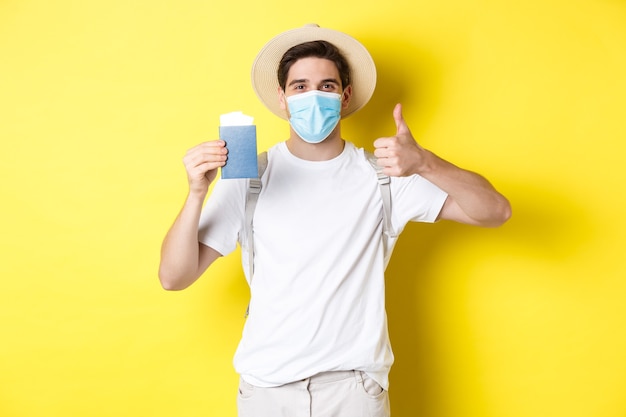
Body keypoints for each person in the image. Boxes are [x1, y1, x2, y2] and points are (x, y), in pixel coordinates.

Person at [159, 24, 511, 417]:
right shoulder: (250, 178)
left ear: (344, 97)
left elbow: (495, 212)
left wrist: (426, 163)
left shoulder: (385, 177)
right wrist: (195, 194)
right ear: (282, 98)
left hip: (355, 392)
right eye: (300, 86)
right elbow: (174, 277)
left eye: (326, 86)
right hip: (266, 391)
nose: (313, 96)